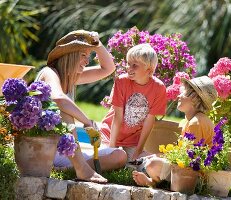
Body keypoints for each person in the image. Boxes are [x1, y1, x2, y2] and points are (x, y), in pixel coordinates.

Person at [35, 30, 127, 183]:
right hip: (44, 149)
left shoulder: (72, 78)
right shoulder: (49, 72)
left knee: (119, 156)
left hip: (66, 150)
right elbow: (59, 99)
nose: (87, 61)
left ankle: (69, 169)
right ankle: (82, 169)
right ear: (70, 55)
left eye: (88, 55)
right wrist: (87, 122)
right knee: (65, 112)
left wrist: (97, 44)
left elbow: (108, 69)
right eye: (83, 55)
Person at [131, 75, 217, 187]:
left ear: (195, 98)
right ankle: (153, 180)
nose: (179, 96)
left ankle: (153, 182)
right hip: (191, 171)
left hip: (195, 177)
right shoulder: (192, 120)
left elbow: (189, 160)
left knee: (153, 165)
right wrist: (159, 156)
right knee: (152, 159)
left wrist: (158, 160)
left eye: (184, 93)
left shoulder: (196, 123)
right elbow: (183, 153)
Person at [99, 43, 167, 162]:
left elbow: (149, 122)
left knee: (143, 162)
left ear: (149, 70)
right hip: (110, 135)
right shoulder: (121, 81)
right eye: (128, 64)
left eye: (134, 65)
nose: (129, 68)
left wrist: (138, 150)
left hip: (132, 139)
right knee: (109, 160)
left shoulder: (159, 88)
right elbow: (117, 117)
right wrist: (112, 148)